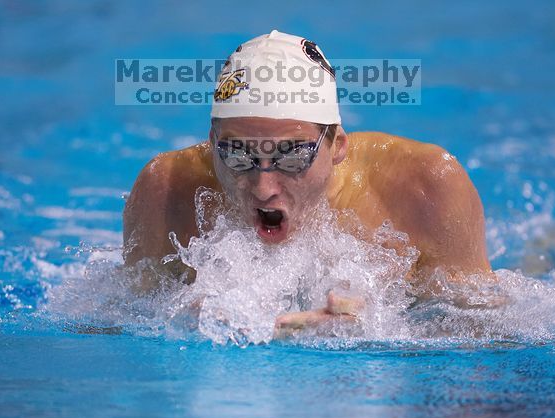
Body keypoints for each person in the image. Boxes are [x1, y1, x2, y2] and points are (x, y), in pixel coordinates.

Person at [123, 30, 494, 335]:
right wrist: (182, 321)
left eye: (293, 156)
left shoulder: (424, 188)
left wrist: (380, 330)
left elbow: (491, 335)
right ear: (211, 143)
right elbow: (119, 325)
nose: (264, 187)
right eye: (236, 155)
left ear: (337, 146)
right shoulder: (166, 191)